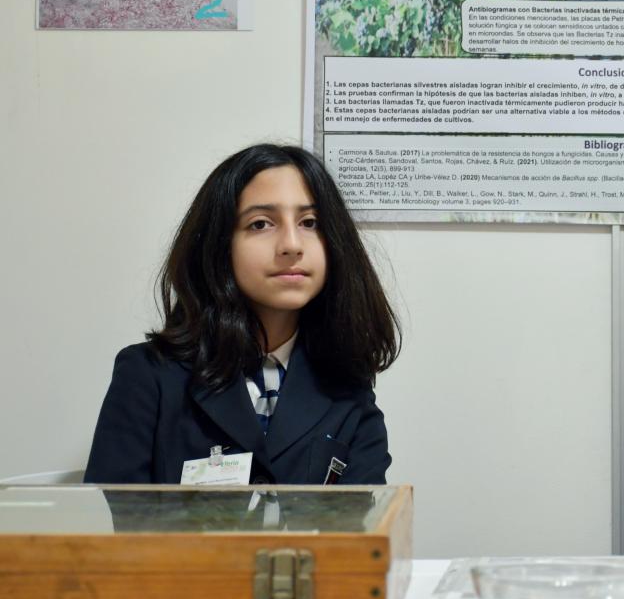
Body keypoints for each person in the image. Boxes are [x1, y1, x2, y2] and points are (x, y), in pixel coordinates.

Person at [85, 144, 399, 485]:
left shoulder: (348, 381)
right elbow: (116, 529)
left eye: (310, 222)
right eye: (261, 223)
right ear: (219, 245)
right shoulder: (148, 376)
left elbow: (364, 530)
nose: (292, 245)